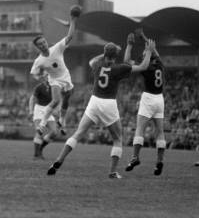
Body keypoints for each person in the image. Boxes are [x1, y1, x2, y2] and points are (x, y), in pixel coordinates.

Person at [47, 36, 155, 179]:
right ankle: (112, 172)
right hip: (108, 103)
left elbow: (92, 61)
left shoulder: (98, 66)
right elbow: (143, 67)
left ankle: (58, 161)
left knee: (78, 133)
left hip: (94, 101)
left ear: (105, 55)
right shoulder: (119, 68)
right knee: (117, 139)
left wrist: (105, 53)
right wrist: (149, 51)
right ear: (115, 56)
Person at [30, 5, 81, 135]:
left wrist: (73, 21)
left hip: (65, 76)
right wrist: (40, 76)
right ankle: (42, 125)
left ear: (46, 42)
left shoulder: (56, 48)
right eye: (40, 44)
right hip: (54, 80)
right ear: (37, 47)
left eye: (44, 42)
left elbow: (69, 36)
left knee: (67, 99)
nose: (43, 44)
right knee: (56, 100)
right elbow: (33, 74)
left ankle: (62, 121)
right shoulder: (39, 61)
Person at [124, 29, 166, 176]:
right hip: (160, 99)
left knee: (140, 129)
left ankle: (135, 157)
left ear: (148, 56)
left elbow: (127, 62)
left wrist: (129, 45)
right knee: (159, 132)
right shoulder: (160, 63)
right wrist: (143, 37)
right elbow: (153, 50)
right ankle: (159, 161)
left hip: (148, 98)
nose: (143, 55)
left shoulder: (146, 66)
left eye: (144, 54)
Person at [28, 74, 58, 159]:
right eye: (48, 76)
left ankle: (40, 148)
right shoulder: (39, 87)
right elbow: (32, 99)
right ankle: (36, 154)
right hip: (39, 110)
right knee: (39, 132)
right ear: (45, 78)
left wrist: (56, 110)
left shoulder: (54, 87)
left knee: (54, 132)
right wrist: (31, 111)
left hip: (48, 110)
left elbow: (57, 100)